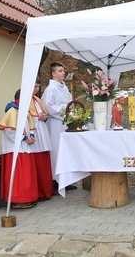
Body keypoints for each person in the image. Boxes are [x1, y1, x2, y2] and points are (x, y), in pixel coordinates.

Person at [0, 89, 39, 209]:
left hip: (24, 147)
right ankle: (18, 200)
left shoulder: (24, 111)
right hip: (15, 149)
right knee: (18, 176)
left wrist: (31, 136)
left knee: (26, 176)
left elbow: (30, 126)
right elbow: (9, 130)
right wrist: (25, 138)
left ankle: (28, 198)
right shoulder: (12, 111)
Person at [41, 62, 76, 191]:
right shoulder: (51, 89)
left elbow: (69, 101)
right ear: (53, 73)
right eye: (60, 71)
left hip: (64, 123)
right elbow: (48, 107)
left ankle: (65, 179)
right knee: (56, 151)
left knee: (65, 150)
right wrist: (65, 108)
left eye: (63, 70)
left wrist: (70, 108)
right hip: (55, 123)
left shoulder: (64, 87)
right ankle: (55, 181)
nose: (63, 73)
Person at [29, 77, 54, 200]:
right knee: (36, 162)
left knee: (44, 159)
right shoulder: (24, 100)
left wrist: (43, 116)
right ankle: (38, 191)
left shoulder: (38, 100)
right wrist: (37, 117)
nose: (36, 89)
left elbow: (43, 113)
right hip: (33, 131)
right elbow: (24, 116)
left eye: (38, 86)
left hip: (42, 130)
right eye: (34, 86)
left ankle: (47, 190)